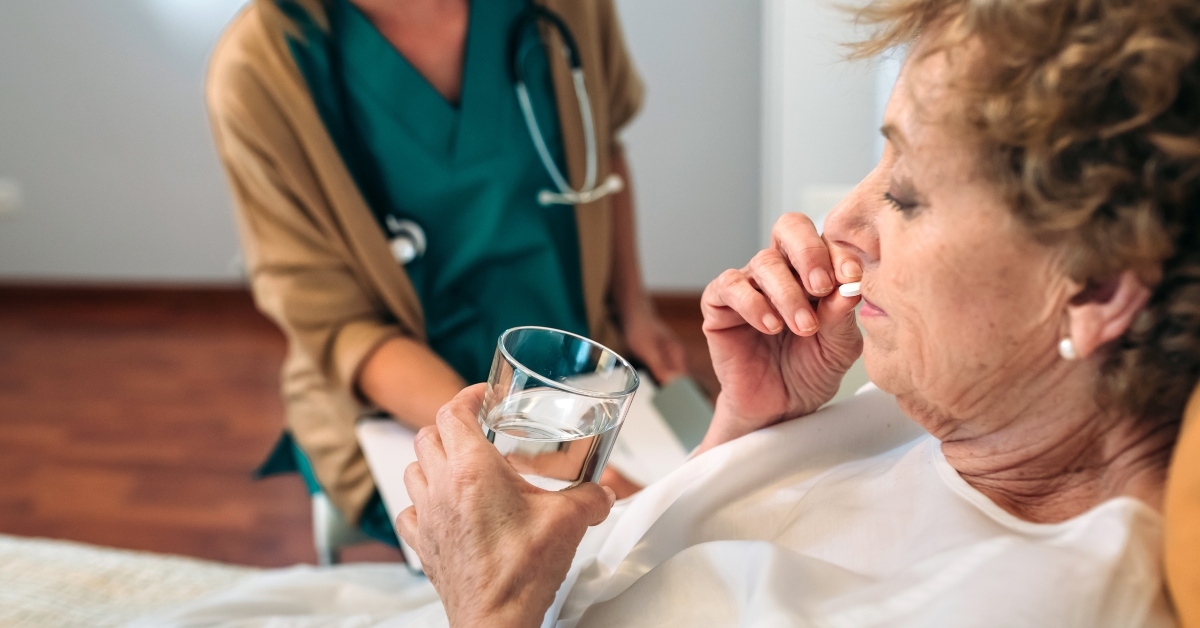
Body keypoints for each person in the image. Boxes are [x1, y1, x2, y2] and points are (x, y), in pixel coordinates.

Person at [395, 0, 1200, 624]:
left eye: (908, 195)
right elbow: (639, 577)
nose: (843, 226)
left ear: (1094, 289)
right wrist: (751, 435)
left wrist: (491, 604)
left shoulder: (1037, 604)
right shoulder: (953, 414)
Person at [205, 0, 686, 545]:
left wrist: (636, 311)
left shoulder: (566, 9)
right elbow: (339, 328)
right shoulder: (261, 69)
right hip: (396, 406)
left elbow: (601, 149)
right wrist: (530, 453)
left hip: (577, 360)